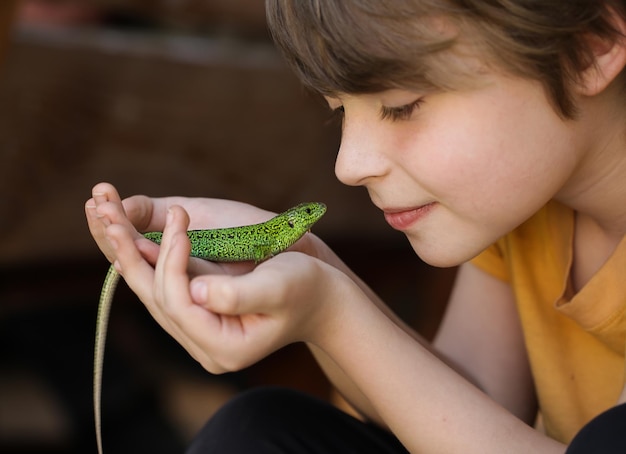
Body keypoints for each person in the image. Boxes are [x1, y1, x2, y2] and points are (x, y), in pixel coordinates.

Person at [86, 0, 626, 452]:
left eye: (401, 105)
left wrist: (334, 313)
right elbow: (467, 405)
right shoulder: (521, 211)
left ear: (589, 46)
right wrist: (316, 276)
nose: (348, 164)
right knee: (255, 433)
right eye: (341, 111)